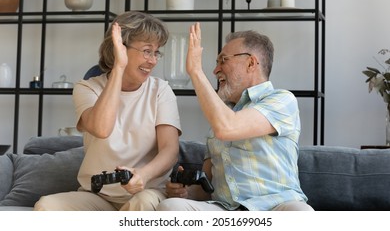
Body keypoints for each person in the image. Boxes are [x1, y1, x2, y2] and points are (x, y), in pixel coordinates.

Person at [157, 22, 313, 211]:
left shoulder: (282, 100)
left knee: (301, 213)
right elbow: (207, 188)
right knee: (170, 207)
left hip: (277, 207)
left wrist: (196, 71)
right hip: (226, 209)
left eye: (223, 60)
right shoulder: (220, 113)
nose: (215, 70)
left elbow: (228, 128)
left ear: (250, 63)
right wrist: (185, 192)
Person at [34, 11, 181, 211]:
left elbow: (170, 150)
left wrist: (143, 175)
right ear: (119, 48)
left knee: (143, 202)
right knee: (46, 207)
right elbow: (101, 128)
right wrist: (119, 68)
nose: (153, 61)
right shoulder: (87, 88)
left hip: (145, 190)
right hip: (98, 196)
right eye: (147, 51)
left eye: (156, 53)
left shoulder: (160, 90)